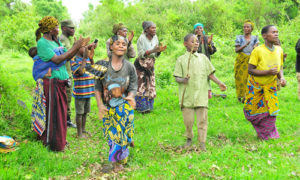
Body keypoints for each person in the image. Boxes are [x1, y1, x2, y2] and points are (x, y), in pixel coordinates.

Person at [34, 16, 86, 151]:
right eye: (56, 27)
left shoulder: (56, 42)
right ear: (50, 30)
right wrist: (75, 46)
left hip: (61, 82)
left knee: (62, 113)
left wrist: (80, 47)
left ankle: (60, 140)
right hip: (52, 83)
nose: (58, 29)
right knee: (54, 114)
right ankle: (54, 143)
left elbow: (68, 56)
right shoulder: (42, 43)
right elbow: (57, 60)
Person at [173, 33, 227, 151]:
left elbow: (210, 74)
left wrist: (219, 83)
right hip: (187, 95)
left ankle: (202, 142)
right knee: (188, 121)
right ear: (185, 44)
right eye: (192, 41)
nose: (196, 43)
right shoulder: (181, 60)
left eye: (197, 41)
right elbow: (177, 77)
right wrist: (183, 79)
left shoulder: (203, 58)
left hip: (201, 93)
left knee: (202, 120)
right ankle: (189, 138)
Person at [95, 35, 137, 171]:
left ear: (126, 48)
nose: (121, 46)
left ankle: (125, 147)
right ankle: (115, 162)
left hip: (125, 106)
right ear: (111, 46)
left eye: (124, 44)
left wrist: (131, 96)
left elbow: (133, 86)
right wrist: (100, 105)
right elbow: (97, 88)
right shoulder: (102, 66)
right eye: (117, 43)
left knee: (124, 131)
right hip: (108, 107)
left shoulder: (130, 67)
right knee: (113, 133)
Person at [244, 25, 286, 140]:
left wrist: (281, 77)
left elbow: (280, 67)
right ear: (264, 36)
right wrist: (267, 72)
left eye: (277, 32)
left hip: (271, 86)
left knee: (271, 111)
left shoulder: (279, 50)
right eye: (273, 32)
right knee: (253, 112)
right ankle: (262, 133)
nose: (276, 34)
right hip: (256, 86)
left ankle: (267, 135)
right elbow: (250, 70)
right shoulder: (258, 51)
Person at [134, 21, 166, 113]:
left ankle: (149, 107)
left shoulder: (155, 37)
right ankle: (141, 108)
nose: (154, 30)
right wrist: (152, 50)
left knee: (150, 84)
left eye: (155, 28)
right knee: (141, 85)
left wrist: (159, 51)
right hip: (141, 64)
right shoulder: (141, 39)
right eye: (152, 28)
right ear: (146, 29)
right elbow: (141, 54)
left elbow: (155, 53)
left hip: (150, 64)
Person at [71, 45, 96, 138]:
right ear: (78, 48)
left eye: (87, 47)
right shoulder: (73, 60)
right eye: (84, 47)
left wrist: (91, 59)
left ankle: (83, 129)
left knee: (85, 112)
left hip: (88, 91)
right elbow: (80, 72)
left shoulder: (86, 59)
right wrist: (85, 58)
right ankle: (79, 133)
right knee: (79, 113)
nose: (86, 49)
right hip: (80, 92)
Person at [234, 20, 259, 102]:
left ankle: (246, 96)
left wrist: (255, 47)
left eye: (247, 27)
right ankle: (240, 95)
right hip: (241, 60)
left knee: (249, 78)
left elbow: (256, 48)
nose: (245, 28)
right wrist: (245, 45)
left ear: (251, 29)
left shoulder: (255, 38)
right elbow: (236, 50)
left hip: (251, 60)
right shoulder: (239, 37)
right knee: (240, 78)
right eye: (244, 27)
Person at [194, 23, 220, 99]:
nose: (199, 30)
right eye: (197, 28)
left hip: (206, 62)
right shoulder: (193, 38)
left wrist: (209, 44)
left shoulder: (207, 38)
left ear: (203, 29)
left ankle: (207, 93)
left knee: (208, 76)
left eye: (201, 28)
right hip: (196, 62)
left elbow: (212, 51)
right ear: (194, 30)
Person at [59, 19, 77, 128]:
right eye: (71, 28)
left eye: (74, 28)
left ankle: (67, 119)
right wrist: (76, 47)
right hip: (64, 73)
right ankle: (65, 120)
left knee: (68, 96)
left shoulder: (66, 39)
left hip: (68, 72)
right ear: (64, 28)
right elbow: (67, 56)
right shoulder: (62, 39)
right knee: (66, 97)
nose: (73, 30)